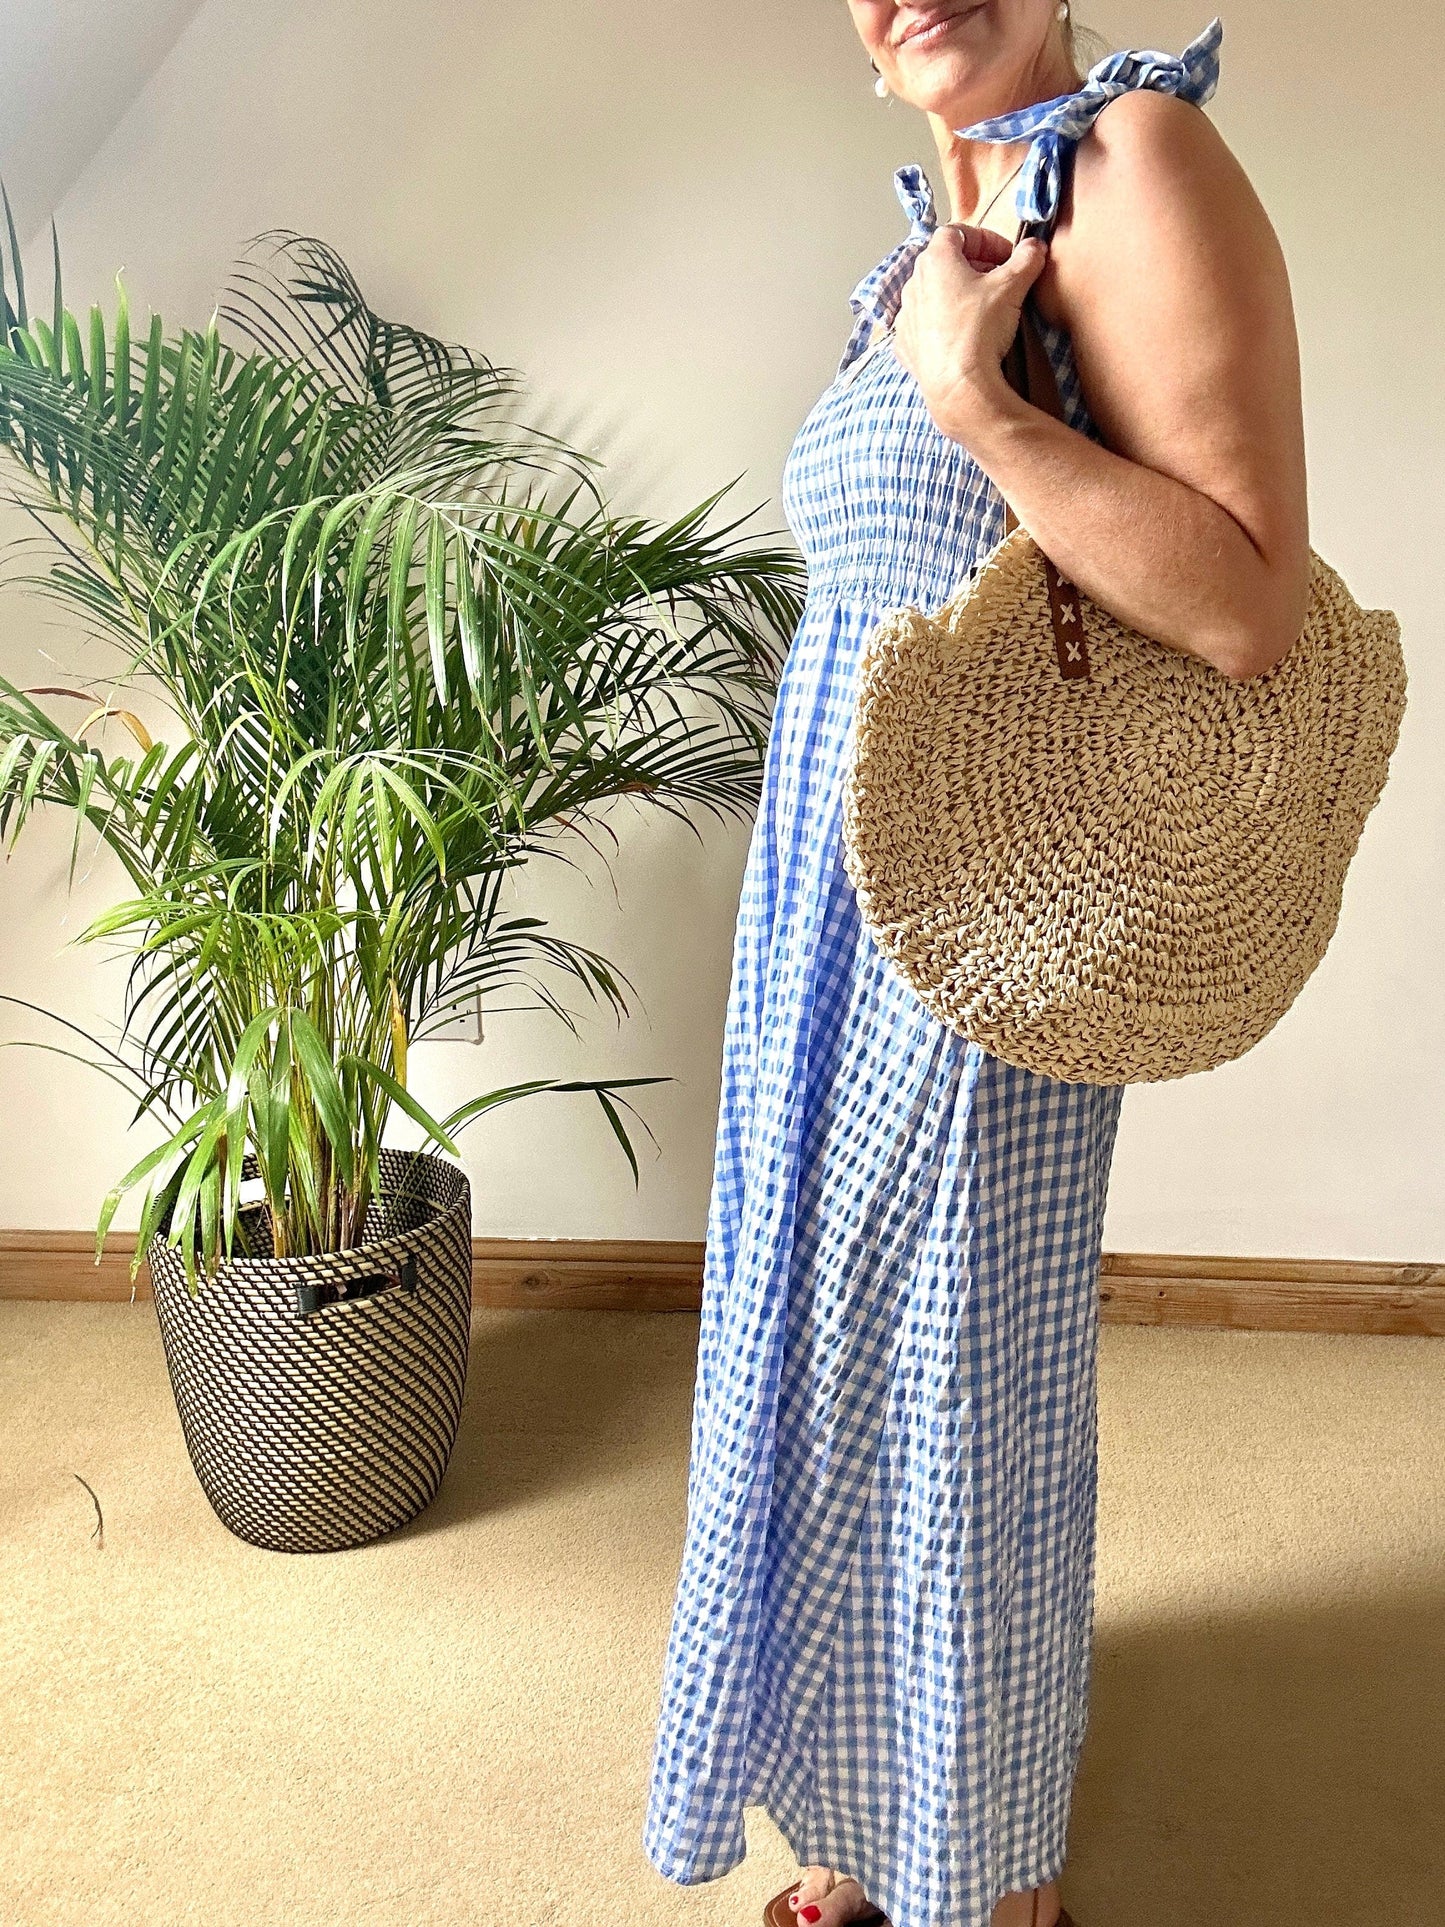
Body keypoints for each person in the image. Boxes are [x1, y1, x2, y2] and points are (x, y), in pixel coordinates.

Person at [644, 7, 1308, 1926]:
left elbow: (1247, 602)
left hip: (979, 911)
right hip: (822, 904)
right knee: (826, 1354)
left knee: (951, 1368)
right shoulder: (934, 235)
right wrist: (939, 360)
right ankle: (875, 1823)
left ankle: (988, 1873)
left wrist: (980, 407)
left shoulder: (1132, 166)